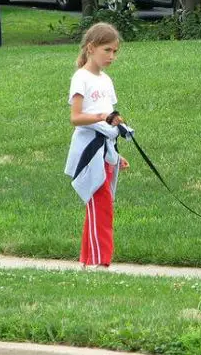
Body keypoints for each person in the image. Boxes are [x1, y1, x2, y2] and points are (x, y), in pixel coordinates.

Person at [64, 22, 130, 269]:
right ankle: (101, 262)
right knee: (100, 206)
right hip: (89, 151)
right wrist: (101, 118)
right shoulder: (81, 78)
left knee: (101, 206)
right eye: (107, 50)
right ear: (91, 48)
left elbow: (110, 118)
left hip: (106, 150)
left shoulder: (106, 81)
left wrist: (116, 153)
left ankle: (88, 260)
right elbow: (76, 117)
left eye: (115, 52)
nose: (112, 56)